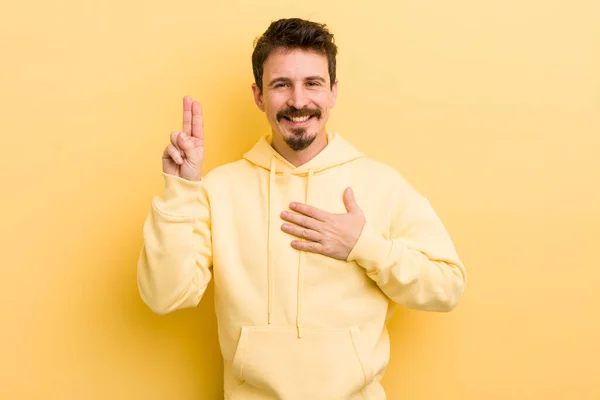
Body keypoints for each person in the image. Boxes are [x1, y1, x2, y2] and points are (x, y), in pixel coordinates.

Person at [137, 17, 467, 400]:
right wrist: (181, 189)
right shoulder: (219, 189)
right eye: (281, 85)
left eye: (313, 83)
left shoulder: (382, 184)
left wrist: (364, 246)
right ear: (259, 95)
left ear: (333, 92)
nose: (298, 101)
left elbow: (448, 286)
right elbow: (163, 296)